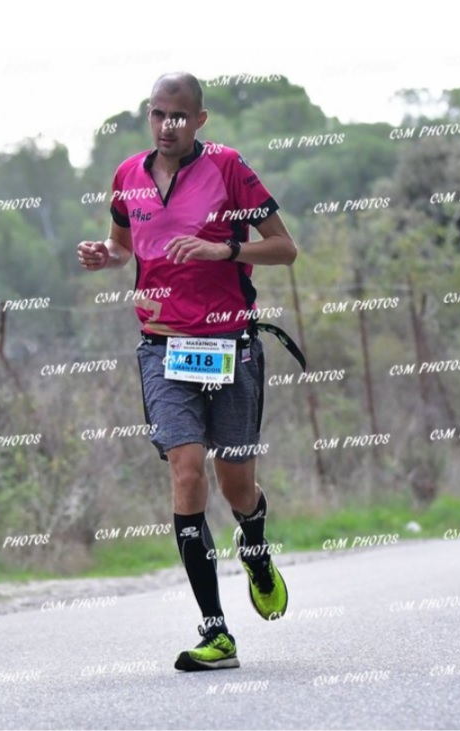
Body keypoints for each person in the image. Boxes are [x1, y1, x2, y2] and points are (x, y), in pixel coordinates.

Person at [77, 72, 298, 671]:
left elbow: (284, 248)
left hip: (230, 343)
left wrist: (224, 250)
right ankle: (216, 630)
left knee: (236, 484)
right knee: (186, 470)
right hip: (164, 345)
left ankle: (253, 541)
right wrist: (107, 257)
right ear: (147, 117)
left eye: (178, 115)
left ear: (199, 120)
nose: (166, 124)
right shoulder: (128, 177)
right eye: (156, 113)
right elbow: (124, 246)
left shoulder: (229, 168)